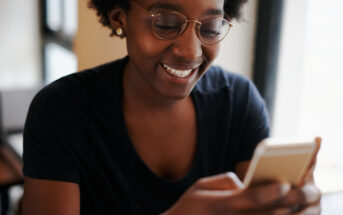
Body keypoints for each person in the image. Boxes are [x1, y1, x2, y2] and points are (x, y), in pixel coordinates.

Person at [22, 0, 321, 214]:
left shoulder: (238, 103)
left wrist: (294, 205)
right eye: (165, 23)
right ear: (118, 17)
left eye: (212, 27)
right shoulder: (60, 113)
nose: (191, 51)